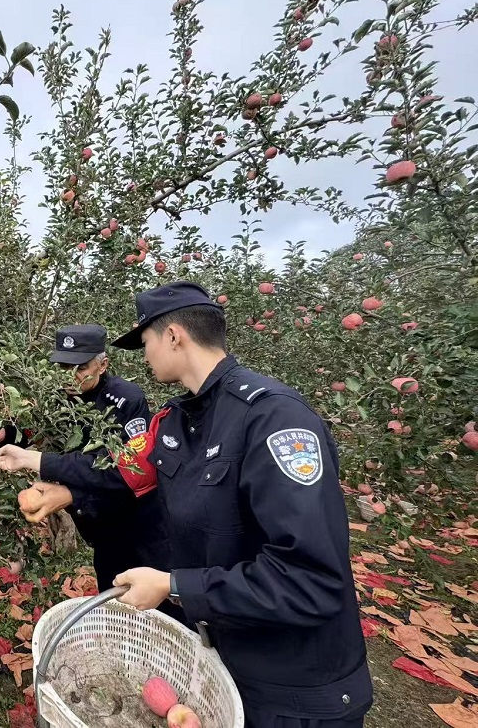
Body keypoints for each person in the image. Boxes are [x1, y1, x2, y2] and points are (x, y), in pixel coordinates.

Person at [109, 282, 373, 728]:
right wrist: (55, 481)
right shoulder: (177, 420)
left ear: (173, 336)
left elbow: (310, 580)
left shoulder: (274, 420)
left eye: (146, 341)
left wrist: (175, 585)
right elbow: (131, 478)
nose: (144, 355)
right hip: (226, 663)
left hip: (295, 690)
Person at [0, 324, 175, 606]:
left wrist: (47, 469)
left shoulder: (126, 400)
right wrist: (6, 434)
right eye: (64, 367)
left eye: (80, 367)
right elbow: (38, 433)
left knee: (158, 610)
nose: (70, 377)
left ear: (103, 365)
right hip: (98, 528)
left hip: (137, 527)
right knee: (113, 600)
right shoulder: (55, 399)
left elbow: (123, 472)